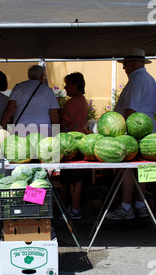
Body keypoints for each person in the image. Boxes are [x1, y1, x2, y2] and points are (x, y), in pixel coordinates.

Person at [106, 48, 156, 220]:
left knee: (127, 169)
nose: (124, 68)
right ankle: (140, 204)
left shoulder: (136, 80)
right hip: (147, 129)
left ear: (135, 63)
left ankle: (126, 206)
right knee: (143, 168)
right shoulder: (150, 79)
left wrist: (124, 133)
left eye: (126, 64)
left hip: (134, 130)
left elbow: (131, 110)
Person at [59, 72, 88, 219]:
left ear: (76, 85)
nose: (65, 87)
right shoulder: (82, 100)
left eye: (67, 84)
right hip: (80, 138)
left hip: (71, 141)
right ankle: (73, 207)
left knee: (73, 176)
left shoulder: (73, 102)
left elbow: (63, 121)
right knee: (74, 176)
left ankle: (75, 209)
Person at [0, 65, 59, 138]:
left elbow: (9, 110)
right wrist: (56, 135)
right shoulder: (48, 91)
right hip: (44, 130)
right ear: (41, 75)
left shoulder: (18, 88)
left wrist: (0, 129)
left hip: (21, 128)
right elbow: (54, 117)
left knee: (21, 149)